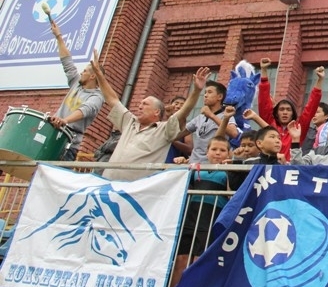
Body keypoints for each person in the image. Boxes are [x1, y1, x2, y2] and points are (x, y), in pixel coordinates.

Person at [89, 49, 209, 181]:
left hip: (138, 189)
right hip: (109, 184)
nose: (140, 106)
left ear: (156, 111)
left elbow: (184, 111)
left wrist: (197, 90)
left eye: (145, 104)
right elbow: (112, 99)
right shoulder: (129, 122)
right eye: (140, 104)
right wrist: (99, 75)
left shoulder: (164, 129)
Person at [170, 135, 231, 287]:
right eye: (214, 149)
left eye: (222, 150)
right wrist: (181, 163)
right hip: (190, 218)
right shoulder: (196, 169)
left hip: (210, 220)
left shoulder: (230, 172)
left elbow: (232, 195)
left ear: (229, 153)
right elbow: (177, 182)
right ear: (207, 152)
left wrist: (231, 170)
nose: (218, 153)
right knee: (181, 259)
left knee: (199, 260)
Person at [47, 20, 104, 160]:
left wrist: (64, 120)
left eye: (85, 71)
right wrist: (58, 36)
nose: (81, 72)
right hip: (52, 136)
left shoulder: (97, 97)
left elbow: (85, 110)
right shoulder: (76, 83)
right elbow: (67, 62)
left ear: (92, 76)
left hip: (68, 145)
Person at [257, 59, 324, 158]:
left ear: (293, 113)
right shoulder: (270, 124)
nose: (285, 112)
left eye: (288, 110)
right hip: (269, 165)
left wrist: (320, 80)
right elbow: (264, 102)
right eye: (281, 109)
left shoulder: (298, 128)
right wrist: (264, 70)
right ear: (276, 113)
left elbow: (311, 107)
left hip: (290, 165)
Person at [174, 80, 239, 164]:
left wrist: (211, 115)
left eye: (209, 92)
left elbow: (234, 133)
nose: (205, 95)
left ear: (219, 97)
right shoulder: (199, 117)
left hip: (213, 164)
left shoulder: (226, 115)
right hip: (193, 163)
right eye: (205, 92)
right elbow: (177, 134)